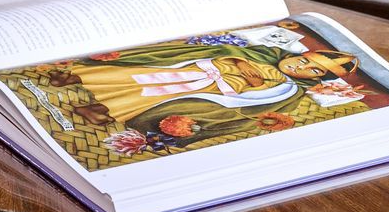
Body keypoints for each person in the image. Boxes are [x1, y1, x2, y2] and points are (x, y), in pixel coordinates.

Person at [68, 24, 358, 139]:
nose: (300, 66)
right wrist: (242, 66)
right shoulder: (263, 53)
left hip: (208, 89)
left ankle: (98, 111)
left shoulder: (287, 88)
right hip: (190, 69)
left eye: (312, 71)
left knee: (150, 96)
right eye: (306, 59)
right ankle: (75, 77)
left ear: (317, 79)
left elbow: (256, 92)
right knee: (134, 77)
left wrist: (249, 77)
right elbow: (231, 57)